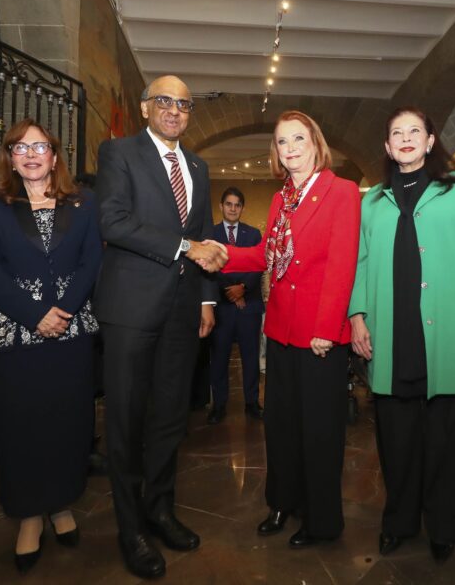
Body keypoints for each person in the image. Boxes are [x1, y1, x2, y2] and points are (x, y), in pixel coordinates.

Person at [348, 106, 455, 564]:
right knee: (397, 441)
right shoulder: (373, 200)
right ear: (386, 146)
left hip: (452, 331)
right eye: (396, 132)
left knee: (449, 440)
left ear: (429, 140)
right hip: (392, 334)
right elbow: (359, 263)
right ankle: (398, 522)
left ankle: (444, 526)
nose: (404, 138)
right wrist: (357, 315)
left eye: (413, 131)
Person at [94, 75, 227, 579]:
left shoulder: (197, 164)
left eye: (185, 104)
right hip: (130, 309)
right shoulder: (118, 153)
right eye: (165, 101)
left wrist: (208, 298)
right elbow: (113, 220)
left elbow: (203, 235)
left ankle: (161, 509)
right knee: (126, 422)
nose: (175, 110)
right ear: (146, 107)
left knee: (171, 419)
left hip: (183, 308)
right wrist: (184, 248)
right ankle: (130, 528)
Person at [222, 110, 360, 548]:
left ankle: (322, 520)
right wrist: (220, 253)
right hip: (280, 329)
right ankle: (282, 502)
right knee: (280, 426)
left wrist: (326, 326)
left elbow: (342, 263)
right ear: (276, 153)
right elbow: (265, 254)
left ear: (316, 142)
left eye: (299, 138)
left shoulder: (342, 192)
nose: (291, 147)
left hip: (319, 333)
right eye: (283, 142)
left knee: (319, 431)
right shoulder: (283, 199)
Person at [0, 118, 102, 573]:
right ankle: (29, 514)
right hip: (15, 333)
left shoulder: (84, 203)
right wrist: (33, 314)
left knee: (68, 422)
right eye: (20, 148)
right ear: (9, 156)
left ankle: (62, 504)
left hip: (71, 330)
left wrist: (62, 308)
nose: (30, 155)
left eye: (40, 147)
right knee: (20, 427)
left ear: (54, 155)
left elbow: (91, 261)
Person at [206, 187, 264, 425]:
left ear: (242, 208)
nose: (232, 208)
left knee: (251, 357)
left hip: (248, 306)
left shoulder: (253, 234)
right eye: (228, 204)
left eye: (237, 205)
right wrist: (231, 291)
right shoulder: (210, 234)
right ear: (221, 207)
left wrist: (243, 288)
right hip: (222, 307)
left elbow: (259, 264)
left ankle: (252, 402)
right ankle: (218, 405)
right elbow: (209, 266)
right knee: (219, 358)